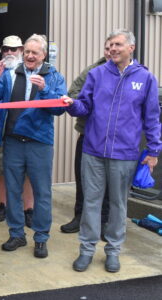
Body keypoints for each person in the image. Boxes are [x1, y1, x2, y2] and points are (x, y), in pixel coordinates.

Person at [65, 29, 161, 273]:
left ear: (131, 48)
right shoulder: (97, 74)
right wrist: (73, 105)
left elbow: (152, 117)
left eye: (118, 44)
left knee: (118, 205)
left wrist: (153, 150)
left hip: (125, 154)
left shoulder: (146, 78)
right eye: (110, 45)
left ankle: (113, 251)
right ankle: (86, 250)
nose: (113, 49)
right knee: (91, 203)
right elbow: (85, 105)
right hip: (93, 151)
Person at [0, 34, 66, 259]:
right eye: (28, 52)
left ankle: (41, 238)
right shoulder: (10, 73)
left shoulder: (54, 76)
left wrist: (45, 91)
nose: (30, 56)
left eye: (35, 53)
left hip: (39, 143)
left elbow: (59, 108)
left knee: (42, 193)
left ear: (43, 55)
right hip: (12, 141)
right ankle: (16, 234)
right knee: (13, 191)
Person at [60, 38, 112, 234]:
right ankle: (79, 216)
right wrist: (93, 103)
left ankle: (105, 221)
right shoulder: (92, 70)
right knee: (82, 178)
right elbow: (73, 92)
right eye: (107, 48)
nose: (109, 51)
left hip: (114, 139)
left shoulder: (132, 73)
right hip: (88, 134)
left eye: (114, 47)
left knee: (109, 182)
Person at [0, 35, 35, 227]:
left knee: (27, 171)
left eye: (13, 49)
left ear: (21, 50)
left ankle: (28, 209)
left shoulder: (31, 70)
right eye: (5, 48)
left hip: (23, 128)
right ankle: (3, 205)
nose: (9, 52)